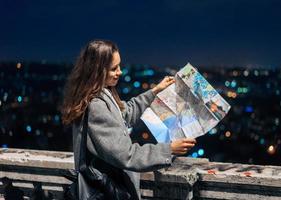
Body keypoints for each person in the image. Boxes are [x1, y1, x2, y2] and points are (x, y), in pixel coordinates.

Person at [61, 40, 196, 200]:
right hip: (106, 191)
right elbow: (126, 155)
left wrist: (155, 91)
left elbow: (125, 114)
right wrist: (169, 150)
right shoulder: (96, 105)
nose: (119, 72)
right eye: (113, 69)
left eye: (119, 66)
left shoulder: (99, 95)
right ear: (97, 70)